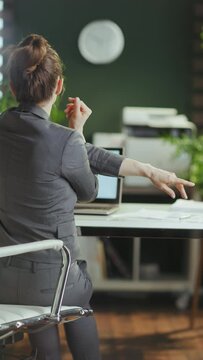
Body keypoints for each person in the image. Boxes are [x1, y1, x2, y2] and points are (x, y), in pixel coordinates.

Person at [0, 34, 195, 360]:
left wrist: (149, 170)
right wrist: (76, 131)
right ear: (59, 86)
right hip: (54, 281)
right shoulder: (64, 140)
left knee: (43, 314)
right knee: (75, 298)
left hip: (6, 278)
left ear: (13, 86)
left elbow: (87, 153)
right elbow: (88, 191)